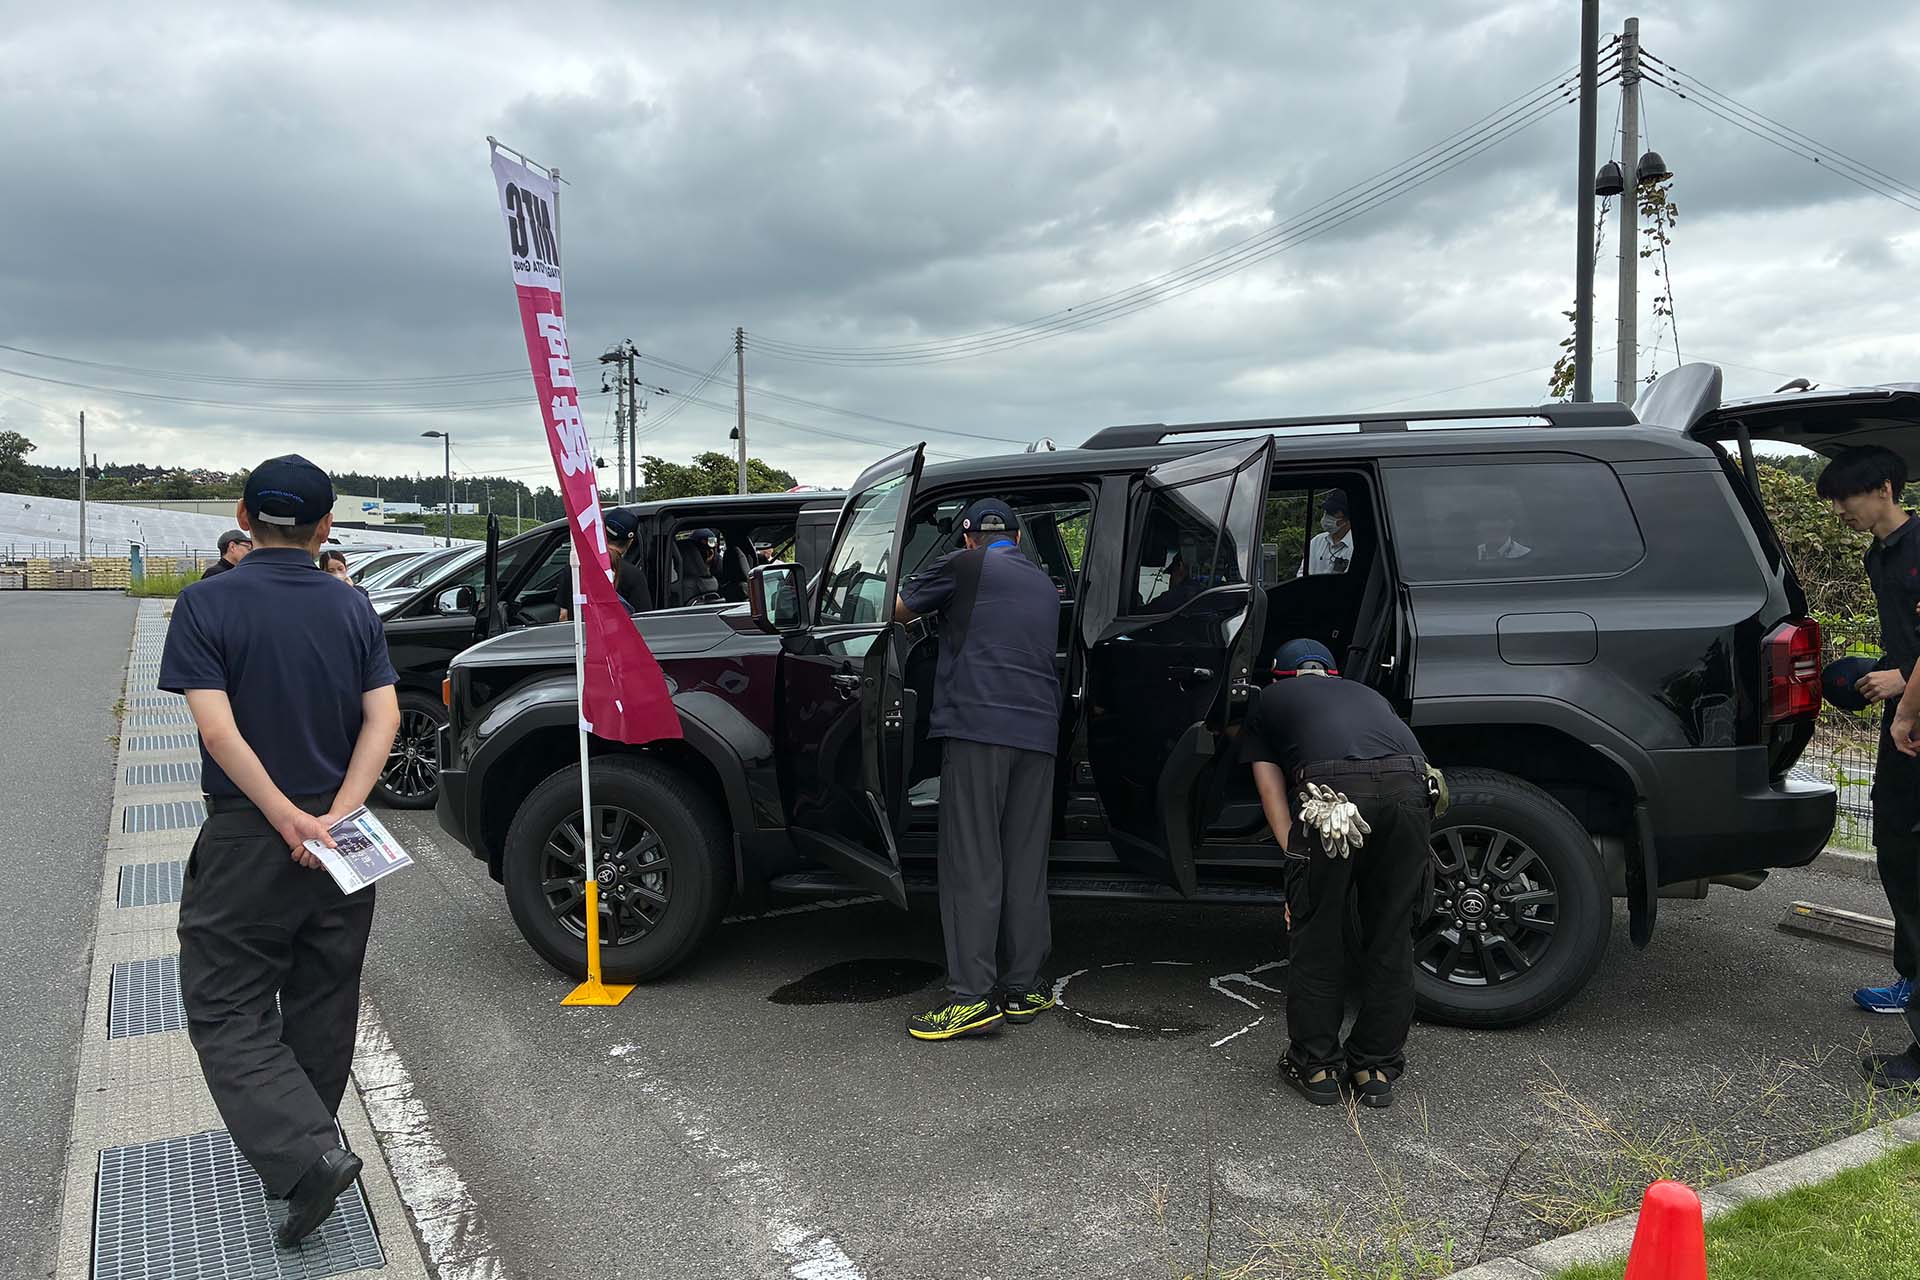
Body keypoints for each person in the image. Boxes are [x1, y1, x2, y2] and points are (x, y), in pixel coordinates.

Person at [159, 455, 402, 1245]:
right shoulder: (352, 607)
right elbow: (384, 720)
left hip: (248, 833)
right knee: (323, 997)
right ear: (326, 526)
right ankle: (310, 1153)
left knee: (226, 1004)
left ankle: (305, 1158)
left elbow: (216, 730)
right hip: (343, 839)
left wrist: (286, 816)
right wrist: (337, 813)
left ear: (242, 514)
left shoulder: (205, 603)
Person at [1238, 638, 1433, 1109]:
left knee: (1319, 931)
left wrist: (1298, 870)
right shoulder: (1367, 693)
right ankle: (1375, 1067)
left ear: (1279, 675)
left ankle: (1317, 1066)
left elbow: (1272, 794)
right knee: (1390, 932)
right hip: (1413, 790)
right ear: (1331, 673)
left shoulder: (1266, 700)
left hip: (1333, 794)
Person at [894, 498, 1062, 1041]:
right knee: (1023, 862)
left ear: (968, 537)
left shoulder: (966, 564)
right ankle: (1023, 986)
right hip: (1038, 734)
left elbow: (897, 609)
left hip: (977, 729)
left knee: (972, 861)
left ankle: (970, 997)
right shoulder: (1042, 580)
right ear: (1015, 535)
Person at [1824, 446, 1920, 1088]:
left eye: (1846, 498)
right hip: (1905, 724)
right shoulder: (1875, 556)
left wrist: (1906, 694)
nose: (1838, 510)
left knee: (1912, 867)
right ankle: (1911, 981)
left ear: (1883, 488)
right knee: (1896, 854)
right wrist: (1876, 676)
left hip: (1914, 723)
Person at [603, 509, 657, 613]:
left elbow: (563, 616)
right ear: (630, 541)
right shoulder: (634, 576)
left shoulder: (575, 568)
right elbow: (644, 620)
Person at [1301, 490, 1357, 575]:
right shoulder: (1316, 542)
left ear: (1347, 518)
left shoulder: (1355, 546)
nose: (1326, 516)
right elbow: (1302, 573)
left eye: (1333, 512)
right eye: (1326, 511)